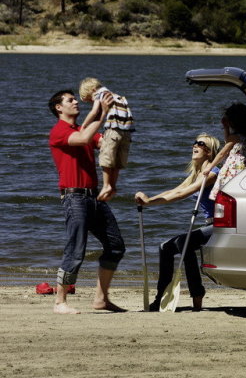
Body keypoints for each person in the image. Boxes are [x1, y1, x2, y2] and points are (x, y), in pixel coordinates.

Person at [48, 88, 126, 314]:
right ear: (59, 108)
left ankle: (101, 299)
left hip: (94, 197)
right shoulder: (59, 131)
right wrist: (100, 113)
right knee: (76, 249)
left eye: (75, 99)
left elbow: (106, 144)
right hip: (74, 198)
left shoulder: (83, 129)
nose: (75, 102)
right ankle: (60, 302)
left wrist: (118, 116)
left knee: (116, 246)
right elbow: (83, 138)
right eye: (70, 100)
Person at [134, 133, 221, 311]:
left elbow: (182, 194)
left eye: (200, 143)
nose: (194, 145)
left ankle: (197, 292)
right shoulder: (196, 174)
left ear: (209, 151)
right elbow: (174, 191)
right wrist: (149, 200)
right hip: (209, 224)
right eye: (194, 142)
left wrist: (150, 202)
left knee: (183, 242)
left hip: (221, 225)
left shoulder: (212, 174)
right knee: (165, 247)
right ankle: (160, 298)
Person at [78, 77, 134, 202]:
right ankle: (113, 186)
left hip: (113, 130)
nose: (92, 102)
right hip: (127, 132)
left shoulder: (100, 94)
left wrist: (83, 126)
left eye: (90, 99)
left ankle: (106, 185)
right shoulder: (118, 96)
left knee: (106, 158)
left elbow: (94, 112)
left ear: (93, 90)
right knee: (117, 161)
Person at [206, 102, 246, 201]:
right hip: (244, 165)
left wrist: (210, 167)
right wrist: (226, 128)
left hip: (233, 167)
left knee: (227, 191)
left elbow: (222, 153)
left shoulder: (235, 137)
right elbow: (228, 141)